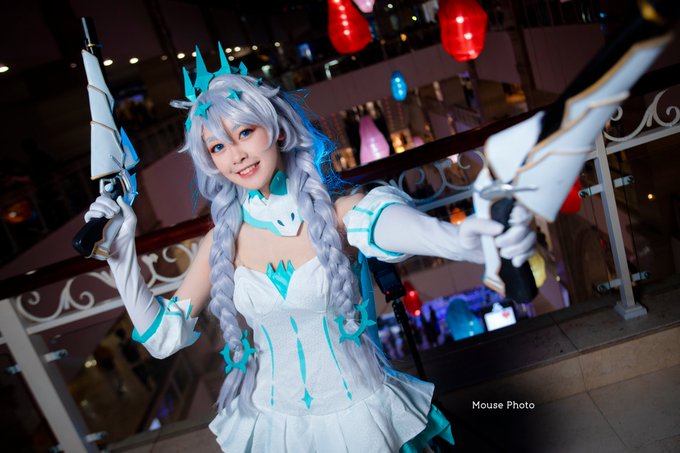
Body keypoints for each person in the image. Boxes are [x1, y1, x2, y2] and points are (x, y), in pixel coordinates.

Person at [84, 53, 535, 452]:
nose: (236, 155)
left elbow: (387, 224)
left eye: (245, 132)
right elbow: (162, 339)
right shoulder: (221, 241)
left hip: (360, 417)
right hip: (275, 426)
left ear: (277, 130)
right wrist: (121, 258)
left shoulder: (340, 213)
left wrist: (461, 240)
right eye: (218, 146)